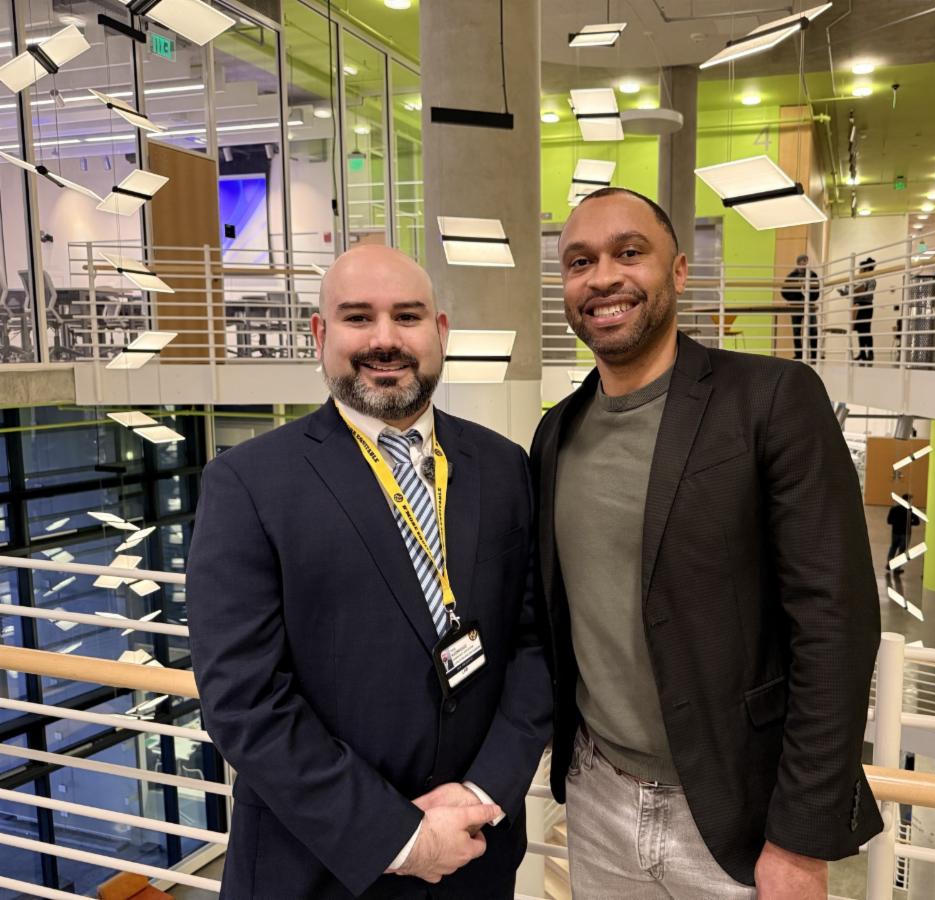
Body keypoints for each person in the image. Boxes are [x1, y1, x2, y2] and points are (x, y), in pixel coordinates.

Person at [532, 187, 882, 899]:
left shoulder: (773, 399)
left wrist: (800, 841)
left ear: (679, 270)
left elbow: (835, 624)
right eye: (579, 262)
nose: (603, 278)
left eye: (630, 253)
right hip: (597, 796)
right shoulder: (555, 433)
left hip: (734, 812)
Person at [187, 245, 553, 899]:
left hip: (477, 860)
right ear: (321, 335)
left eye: (407, 316)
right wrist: (401, 837)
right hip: (316, 873)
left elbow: (535, 644)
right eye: (358, 318)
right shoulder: (247, 484)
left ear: (439, 333)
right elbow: (244, 702)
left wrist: (484, 793)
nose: (385, 339)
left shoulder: (504, 466)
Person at [782, 254, 821, 362]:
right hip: (796, 306)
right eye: (802, 261)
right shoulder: (791, 276)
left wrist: (809, 297)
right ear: (798, 263)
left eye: (806, 261)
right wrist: (796, 296)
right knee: (796, 330)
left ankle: (814, 356)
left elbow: (816, 292)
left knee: (813, 329)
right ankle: (799, 354)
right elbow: (784, 291)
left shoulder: (813, 275)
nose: (804, 263)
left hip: (809, 306)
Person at [838, 257, 877, 363]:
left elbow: (869, 293)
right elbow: (852, 292)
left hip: (866, 306)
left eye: (861, 269)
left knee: (866, 330)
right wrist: (844, 292)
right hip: (857, 305)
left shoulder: (871, 280)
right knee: (859, 330)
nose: (859, 271)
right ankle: (862, 353)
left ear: (865, 269)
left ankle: (870, 353)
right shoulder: (858, 280)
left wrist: (858, 293)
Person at [886, 493, 920, 574]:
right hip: (905, 533)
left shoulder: (894, 509)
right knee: (902, 551)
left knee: (893, 547)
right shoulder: (911, 510)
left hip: (895, 532)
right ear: (908, 500)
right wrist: (909, 522)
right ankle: (896, 567)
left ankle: (889, 563)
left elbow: (889, 521)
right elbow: (917, 522)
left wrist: (897, 522)